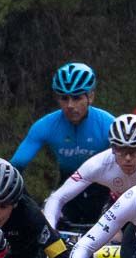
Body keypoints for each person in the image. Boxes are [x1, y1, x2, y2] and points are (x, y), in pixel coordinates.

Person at [11, 62, 115, 228]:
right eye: (64, 98)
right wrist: (27, 205)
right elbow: (15, 168)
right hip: (67, 189)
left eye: (77, 97)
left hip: (102, 190)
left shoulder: (109, 124)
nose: (70, 105)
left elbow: (128, 163)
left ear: (91, 96)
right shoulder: (45, 125)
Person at [43, 113, 136, 229]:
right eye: (121, 150)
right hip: (117, 206)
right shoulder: (98, 164)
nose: (128, 158)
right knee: (112, 237)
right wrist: (51, 232)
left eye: (135, 150)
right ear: (113, 148)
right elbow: (57, 197)